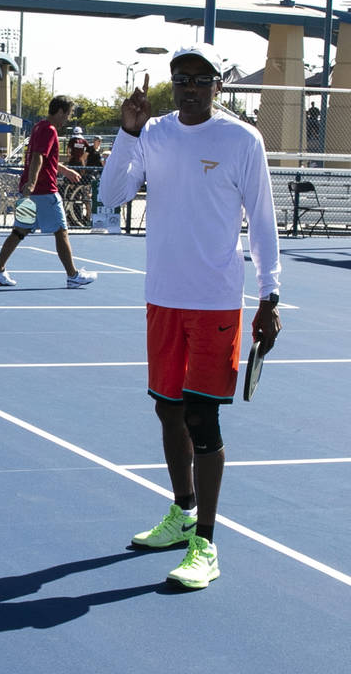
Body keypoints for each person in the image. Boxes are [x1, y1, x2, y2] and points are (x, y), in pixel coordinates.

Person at [99, 43, 281, 590]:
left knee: (203, 419)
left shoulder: (241, 140)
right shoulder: (152, 133)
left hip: (217, 302)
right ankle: (180, 514)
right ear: (173, 85)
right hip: (163, 298)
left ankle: (206, 542)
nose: (191, 87)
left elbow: (264, 221)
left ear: (217, 86)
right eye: (182, 79)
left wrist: (270, 298)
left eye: (202, 79)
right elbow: (112, 196)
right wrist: (127, 132)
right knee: (167, 412)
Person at [0, 96, 97, 288]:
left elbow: (46, 159)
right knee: (61, 231)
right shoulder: (49, 130)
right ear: (60, 111)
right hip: (44, 192)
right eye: (68, 114)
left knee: (19, 231)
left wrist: (64, 170)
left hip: (34, 191)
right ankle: (73, 275)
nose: (68, 119)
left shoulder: (39, 127)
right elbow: (38, 157)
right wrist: (32, 182)